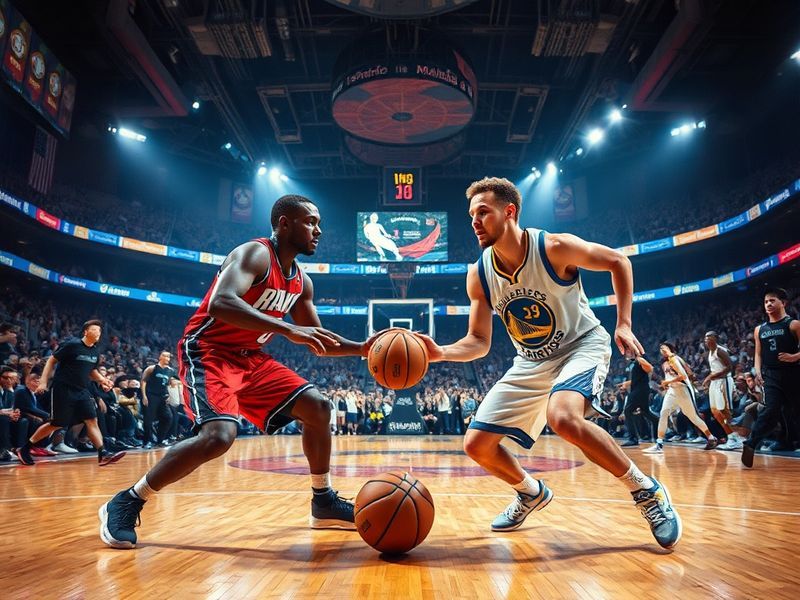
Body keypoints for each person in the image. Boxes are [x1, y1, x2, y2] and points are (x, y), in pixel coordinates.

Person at [417, 177, 681, 549]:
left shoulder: (554, 247)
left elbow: (617, 261)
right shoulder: (479, 273)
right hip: (531, 361)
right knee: (477, 445)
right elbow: (478, 341)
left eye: (483, 213)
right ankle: (530, 492)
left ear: (509, 212)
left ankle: (647, 490)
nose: (474, 222)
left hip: (581, 346)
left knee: (563, 417)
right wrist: (441, 352)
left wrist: (623, 322)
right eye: (471, 215)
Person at [100, 194, 370, 549]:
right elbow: (221, 302)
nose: (318, 230)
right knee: (219, 436)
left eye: (319, 223)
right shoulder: (255, 254)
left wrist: (366, 348)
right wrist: (288, 329)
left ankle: (323, 501)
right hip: (208, 351)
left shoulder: (302, 282)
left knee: (318, 407)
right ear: (284, 223)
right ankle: (129, 499)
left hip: (250, 359)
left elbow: (318, 339)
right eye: (310, 222)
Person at [16, 321, 125, 467]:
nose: (98, 333)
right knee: (56, 424)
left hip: (82, 390)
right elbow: (51, 361)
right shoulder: (72, 345)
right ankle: (25, 449)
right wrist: (43, 382)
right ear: (86, 332)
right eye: (94, 330)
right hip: (63, 388)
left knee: (92, 420)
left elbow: (91, 371)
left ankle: (103, 453)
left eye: (99, 331)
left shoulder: (94, 352)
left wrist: (103, 380)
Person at [742, 287, 800, 467]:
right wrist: (757, 371)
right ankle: (750, 444)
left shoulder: (793, 324)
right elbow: (758, 354)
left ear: (783, 303)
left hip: (793, 373)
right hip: (771, 374)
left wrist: (795, 356)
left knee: (795, 411)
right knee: (771, 408)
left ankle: (790, 441)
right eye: (766, 301)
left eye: (772, 300)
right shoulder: (760, 329)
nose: (768, 304)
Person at [644, 343, 718, 454]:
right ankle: (659, 444)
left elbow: (683, 376)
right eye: (660, 348)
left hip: (683, 390)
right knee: (663, 413)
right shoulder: (665, 363)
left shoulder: (674, 359)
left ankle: (711, 438)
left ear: (670, 348)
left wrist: (668, 381)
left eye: (664, 347)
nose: (661, 349)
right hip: (672, 391)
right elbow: (670, 377)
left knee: (693, 417)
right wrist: (666, 384)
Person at [702, 332, 742, 450]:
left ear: (716, 338)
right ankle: (731, 435)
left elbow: (729, 367)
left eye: (709, 338)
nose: (707, 340)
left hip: (723, 382)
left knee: (724, 411)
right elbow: (715, 370)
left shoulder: (720, 351)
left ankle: (735, 439)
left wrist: (711, 377)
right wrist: (707, 379)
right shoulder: (710, 352)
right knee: (715, 412)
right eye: (705, 338)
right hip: (715, 382)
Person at [620, 355, 657, 447]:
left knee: (628, 411)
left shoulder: (640, 360)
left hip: (640, 390)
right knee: (645, 412)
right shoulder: (635, 363)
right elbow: (639, 378)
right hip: (641, 389)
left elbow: (650, 369)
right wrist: (627, 383)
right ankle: (658, 423)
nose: (626, 354)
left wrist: (640, 360)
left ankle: (633, 439)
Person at [140, 351, 175, 448]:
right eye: (165, 356)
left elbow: (167, 384)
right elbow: (143, 381)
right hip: (151, 395)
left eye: (169, 356)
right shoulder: (152, 368)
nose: (167, 358)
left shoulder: (170, 371)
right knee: (148, 419)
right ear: (160, 357)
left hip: (162, 397)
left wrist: (168, 395)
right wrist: (144, 396)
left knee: (168, 417)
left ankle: (160, 440)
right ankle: (147, 441)